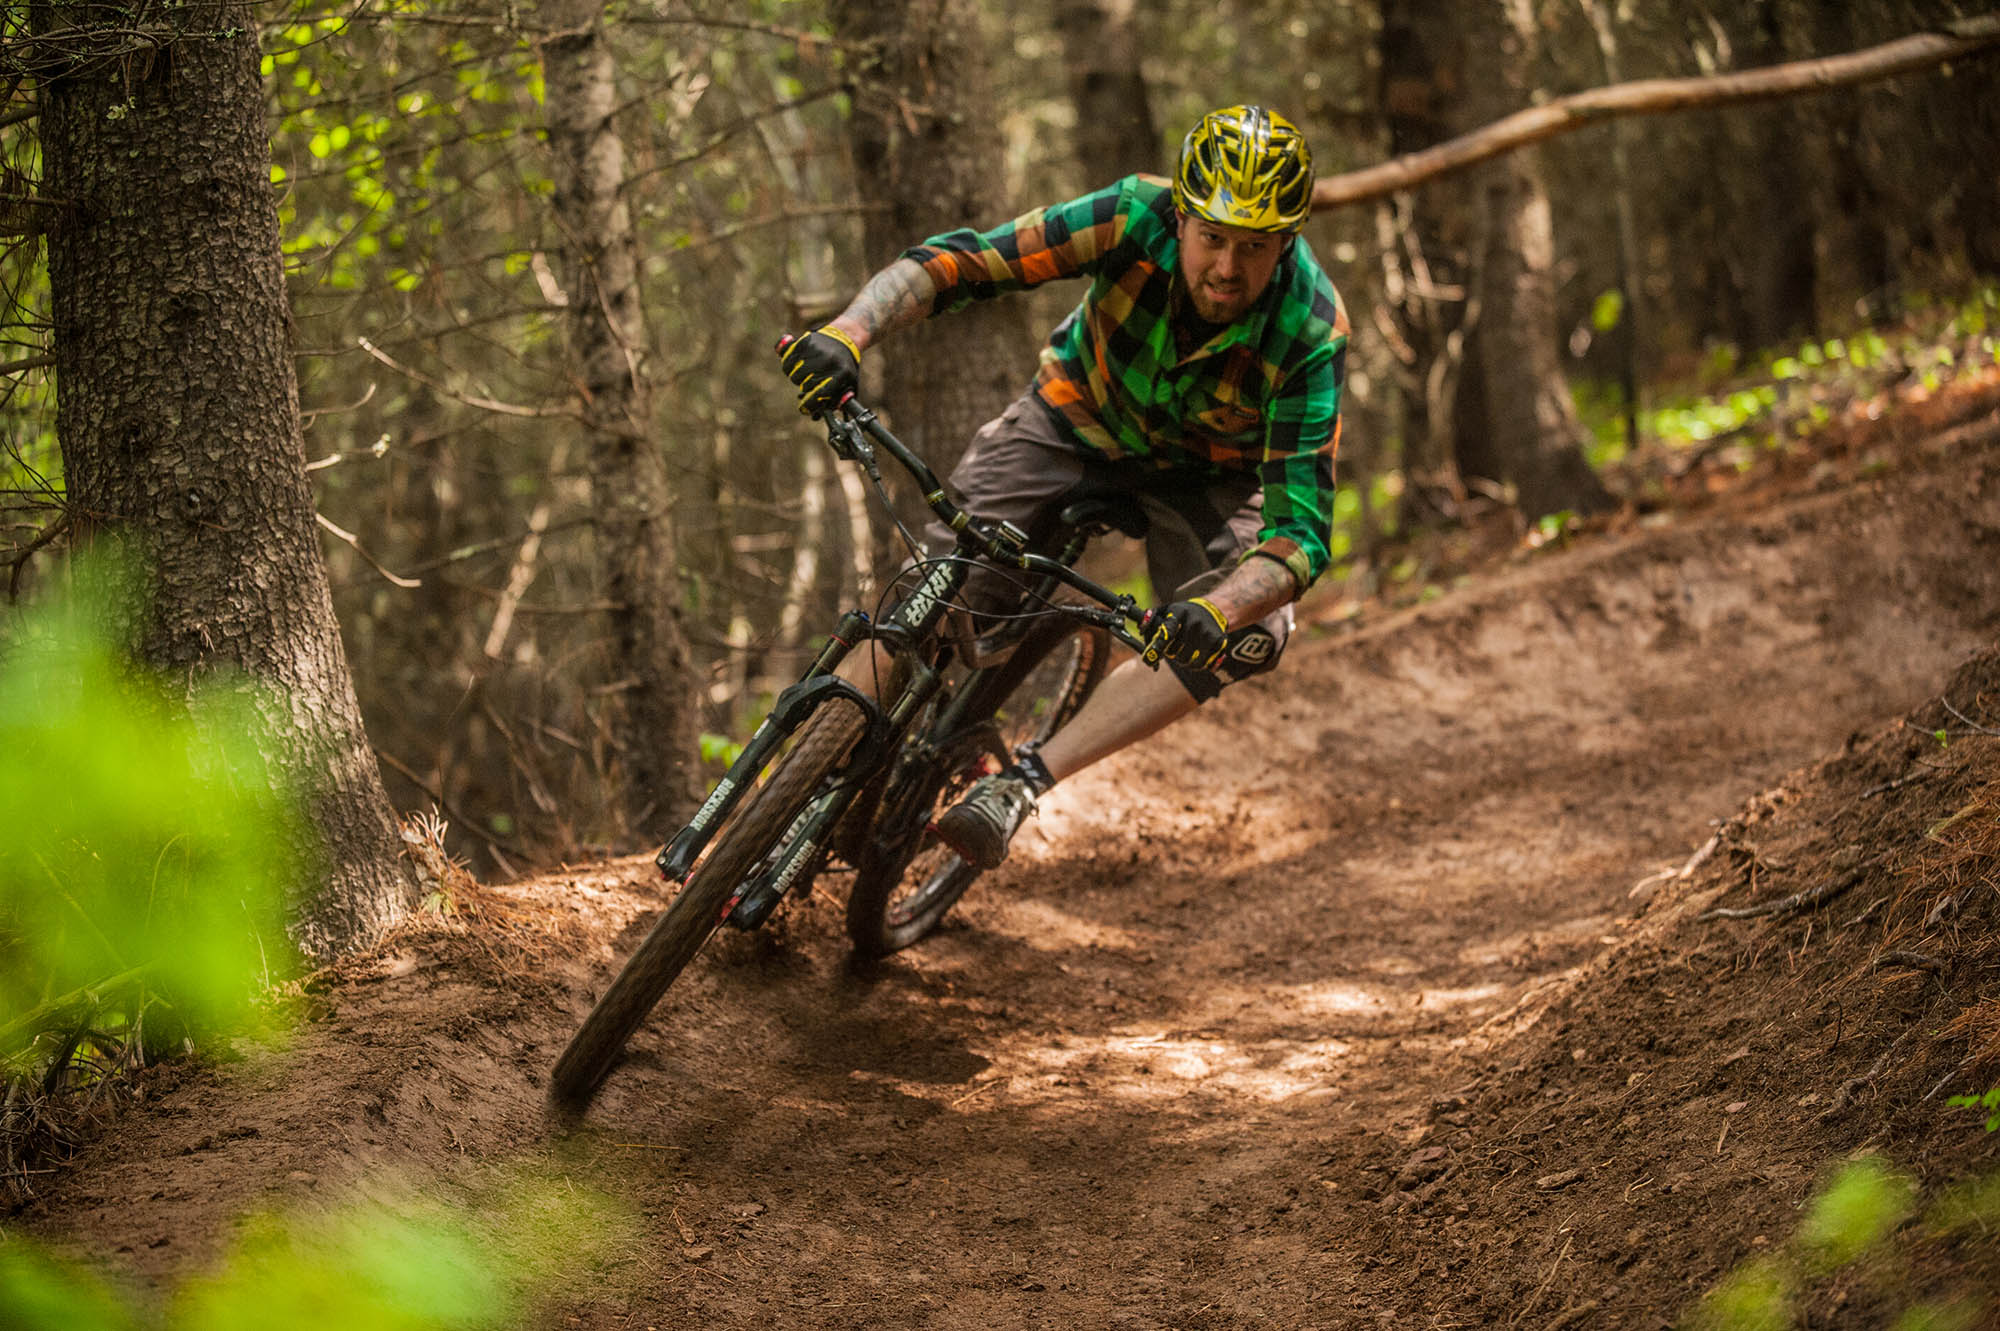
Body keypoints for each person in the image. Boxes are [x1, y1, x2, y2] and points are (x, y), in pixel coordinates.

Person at [779, 105, 1348, 871]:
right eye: (1213, 237)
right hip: (1076, 418)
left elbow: (1299, 535)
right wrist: (849, 331)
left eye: (1254, 247)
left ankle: (1023, 782)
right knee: (935, 588)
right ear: (1181, 218)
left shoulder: (1310, 328)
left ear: (1289, 240)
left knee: (1255, 631)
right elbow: (966, 262)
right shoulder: (1128, 214)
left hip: (1211, 475)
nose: (1227, 268)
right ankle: (790, 788)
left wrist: (1218, 608)